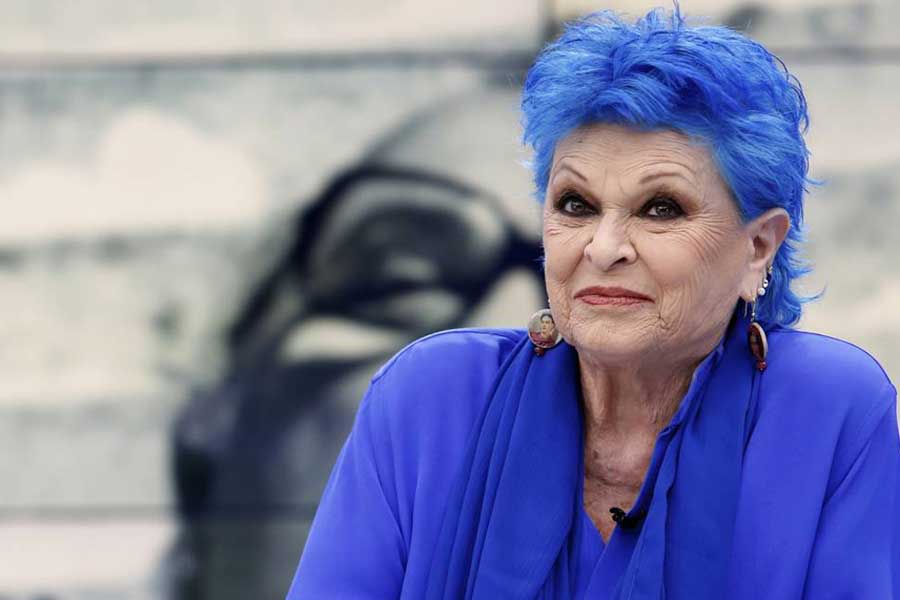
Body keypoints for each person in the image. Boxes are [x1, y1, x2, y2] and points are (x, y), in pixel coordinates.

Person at [287, 8, 900, 600]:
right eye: (575, 205)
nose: (603, 249)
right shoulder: (429, 397)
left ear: (758, 247)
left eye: (661, 209)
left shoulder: (829, 410)